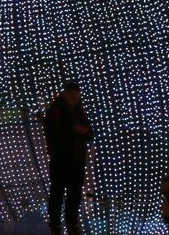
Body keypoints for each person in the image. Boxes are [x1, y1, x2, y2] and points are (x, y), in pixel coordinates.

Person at [43, 81, 93, 235]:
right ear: (66, 94)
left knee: (74, 193)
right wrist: (74, 130)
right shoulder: (56, 109)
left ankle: (71, 223)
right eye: (73, 97)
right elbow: (51, 130)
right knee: (58, 192)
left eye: (77, 97)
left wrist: (85, 132)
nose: (76, 100)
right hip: (61, 158)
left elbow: (90, 132)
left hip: (77, 159)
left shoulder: (79, 111)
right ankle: (56, 224)